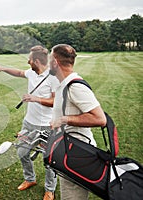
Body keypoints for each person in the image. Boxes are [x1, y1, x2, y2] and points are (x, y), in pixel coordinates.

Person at [0, 45, 59, 200]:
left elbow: (55, 101)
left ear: (36, 61)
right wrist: (3, 69)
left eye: (29, 59)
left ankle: (50, 189)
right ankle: (30, 179)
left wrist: (35, 98)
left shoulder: (53, 78)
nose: (28, 62)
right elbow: (20, 72)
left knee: (48, 159)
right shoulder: (32, 72)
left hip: (45, 126)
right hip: (28, 123)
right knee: (22, 152)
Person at [48, 44, 107, 200]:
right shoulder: (63, 84)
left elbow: (100, 119)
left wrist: (64, 119)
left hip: (78, 155)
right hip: (68, 150)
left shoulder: (75, 86)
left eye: (49, 58)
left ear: (55, 61)